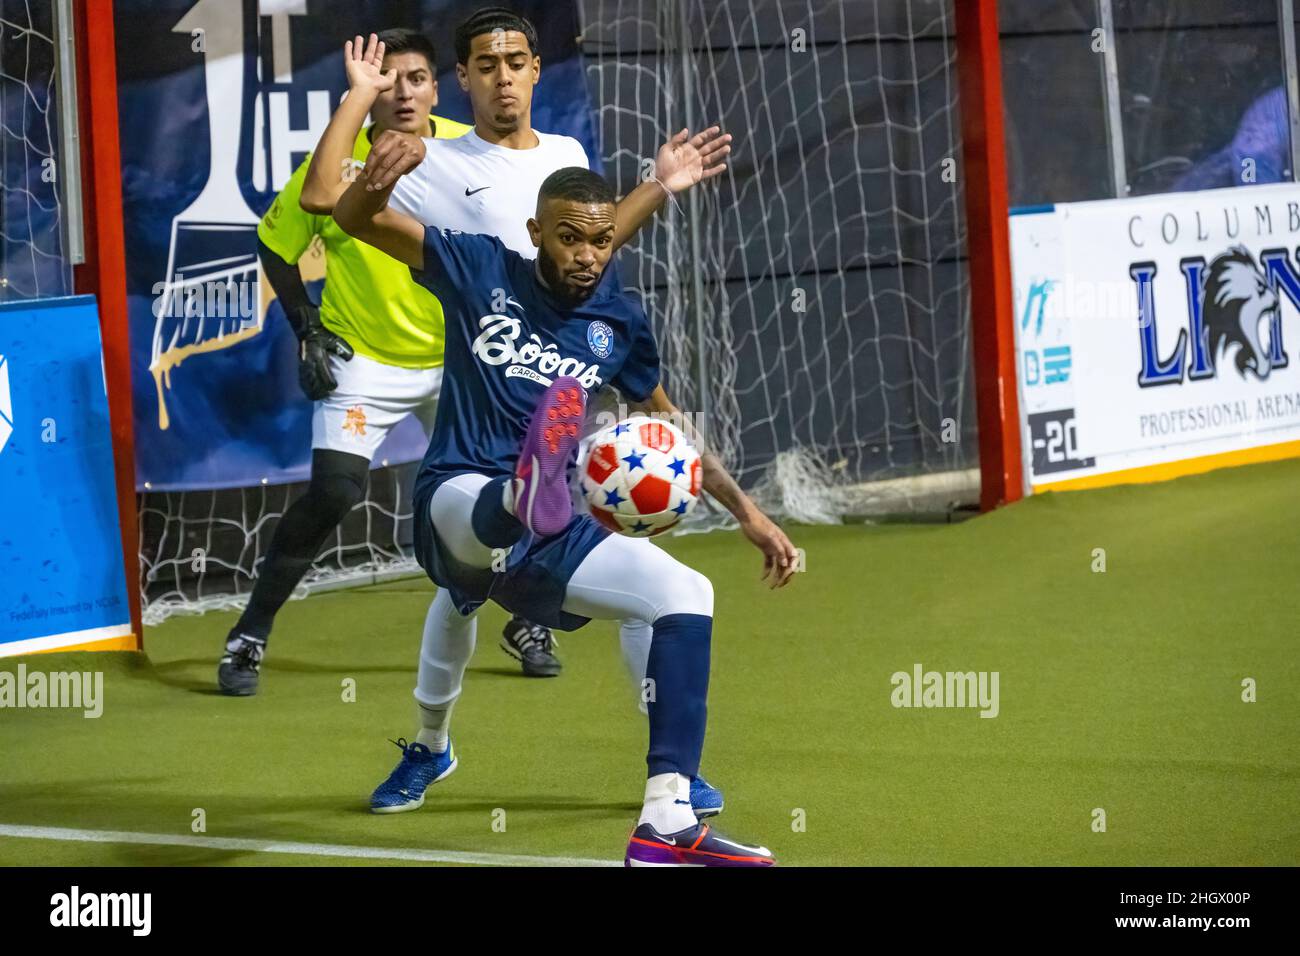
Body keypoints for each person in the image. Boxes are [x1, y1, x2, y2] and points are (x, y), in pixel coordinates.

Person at [302, 13, 736, 816]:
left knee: (646, 583)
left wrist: (657, 186)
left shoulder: (566, 158)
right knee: (465, 576)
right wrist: (360, 103)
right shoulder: (434, 154)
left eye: (516, 62)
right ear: (462, 80)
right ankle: (435, 738)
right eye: (485, 65)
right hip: (482, 386)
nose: (503, 77)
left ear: (537, 70)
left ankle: (672, 771)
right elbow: (328, 201)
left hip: (556, 410)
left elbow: (588, 244)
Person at [333, 148, 798, 863]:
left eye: (600, 240)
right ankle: (522, 493)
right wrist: (377, 181)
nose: (586, 254)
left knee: (685, 593)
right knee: (467, 562)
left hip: (552, 525)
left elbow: (671, 432)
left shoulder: (620, 321)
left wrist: (750, 514)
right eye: (568, 238)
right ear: (535, 231)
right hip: (458, 491)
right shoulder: (478, 267)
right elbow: (353, 216)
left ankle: (667, 819)